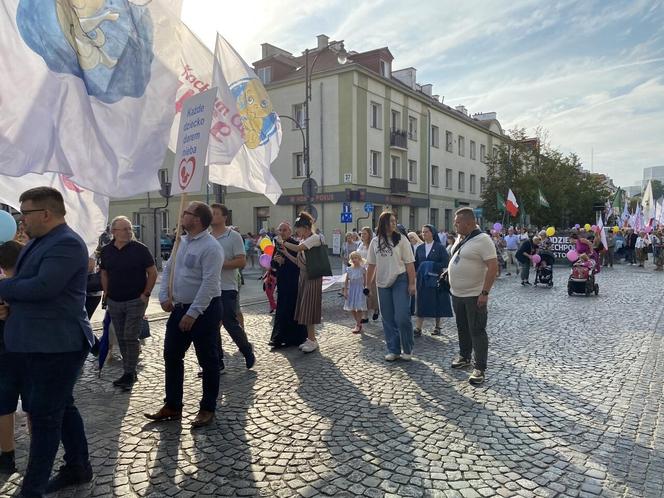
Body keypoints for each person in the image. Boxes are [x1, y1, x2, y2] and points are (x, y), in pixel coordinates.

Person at [0, 187, 94, 496]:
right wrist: (10, 303)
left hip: (58, 344)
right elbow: (27, 286)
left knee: (44, 418)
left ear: (46, 214)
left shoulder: (66, 243)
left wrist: (4, 287)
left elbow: (43, 287)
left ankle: (32, 490)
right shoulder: (38, 242)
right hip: (37, 342)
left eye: (24, 213)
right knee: (61, 408)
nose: (20, 219)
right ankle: (78, 467)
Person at [146, 202, 223, 428]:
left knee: (208, 361)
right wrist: (163, 296)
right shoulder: (182, 241)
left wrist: (193, 313)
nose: (182, 216)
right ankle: (173, 405)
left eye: (186, 213)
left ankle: (207, 408)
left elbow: (209, 284)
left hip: (204, 311)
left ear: (197, 219)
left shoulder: (211, 247)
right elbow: (168, 270)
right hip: (179, 307)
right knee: (171, 356)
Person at [100, 216, 157, 390]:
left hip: (135, 300)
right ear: (114, 232)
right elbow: (104, 273)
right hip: (115, 300)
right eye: (124, 229)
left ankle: (129, 373)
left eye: (129, 229)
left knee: (130, 337)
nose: (128, 232)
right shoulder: (106, 250)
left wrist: (146, 294)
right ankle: (129, 372)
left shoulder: (140, 249)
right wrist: (106, 293)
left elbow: (153, 273)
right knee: (121, 337)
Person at [447, 207, 498, 385]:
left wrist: (485, 292)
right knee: (462, 328)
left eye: (458, 221)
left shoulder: (483, 240)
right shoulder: (461, 238)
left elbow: (493, 267)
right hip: (457, 293)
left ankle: (480, 368)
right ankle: (464, 356)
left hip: (474, 294)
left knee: (477, 330)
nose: (455, 224)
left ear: (469, 223)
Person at [366, 212, 416, 361]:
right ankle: (393, 349)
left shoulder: (402, 240)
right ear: (383, 223)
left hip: (400, 279)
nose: (393, 224)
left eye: (395, 221)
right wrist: (368, 285)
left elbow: (409, 264)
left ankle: (407, 348)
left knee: (402, 316)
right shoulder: (375, 242)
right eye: (390, 221)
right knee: (387, 318)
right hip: (382, 283)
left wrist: (412, 283)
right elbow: (371, 265)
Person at [210, 204, 256, 370]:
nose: (212, 216)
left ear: (224, 217)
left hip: (227, 287)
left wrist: (220, 264)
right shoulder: (206, 237)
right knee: (212, 326)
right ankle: (218, 362)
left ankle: (246, 351)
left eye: (215, 213)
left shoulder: (233, 236)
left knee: (230, 322)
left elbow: (241, 261)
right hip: (208, 289)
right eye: (210, 213)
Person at [277, 212, 324, 353]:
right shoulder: (306, 240)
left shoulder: (315, 238)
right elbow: (298, 262)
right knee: (305, 308)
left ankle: (312, 340)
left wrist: (283, 242)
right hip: (304, 277)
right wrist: (285, 252)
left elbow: (298, 248)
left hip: (312, 277)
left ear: (305, 227)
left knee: (309, 308)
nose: (297, 232)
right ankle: (310, 339)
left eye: (298, 229)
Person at [0, 240, 23, 475]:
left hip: (4, 353)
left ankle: (7, 457)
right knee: (34, 407)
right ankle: (38, 455)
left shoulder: (3, 287)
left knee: (4, 407)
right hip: (30, 353)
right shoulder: (32, 285)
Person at [269, 223, 308, 348]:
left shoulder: (295, 244)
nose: (282, 232)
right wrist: (276, 261)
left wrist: (285, 261)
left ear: (290, 231)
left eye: (284, 230)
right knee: (281, 309)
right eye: (280, 230)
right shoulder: (278, 244)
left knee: (293, 308)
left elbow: (299, 264)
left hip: (293, 281)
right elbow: (272, 264)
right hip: (282, 281)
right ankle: (278, 338)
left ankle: (296, 338)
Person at [414, 224, 452, 337]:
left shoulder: (439, 247)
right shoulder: (420, 248)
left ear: (432, 233)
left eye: (426, 231)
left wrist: (432, 265)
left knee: (437, 301)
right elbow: (416, 264)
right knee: (421, 302)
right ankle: (418, 328)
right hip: (423, 279)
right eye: (422, 232)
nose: (423, 234)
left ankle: (437, 326)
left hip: (436, 278)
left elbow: (446, 262)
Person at [356, 226, 379, 322]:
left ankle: (376, 309)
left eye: (365, 233)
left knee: (371, 293)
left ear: (369, 234)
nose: (362, 235)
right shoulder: (360, 245)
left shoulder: (372, 245)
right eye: (361, 233)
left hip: (371, 271)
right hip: (361, 271)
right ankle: (365, 316)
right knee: (363, 293)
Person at [343, 251, 368, 334]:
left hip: (360, 289)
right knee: (352, 308)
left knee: (359, 307)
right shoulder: (349, 269)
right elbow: (346, 281)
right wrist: (345, 290)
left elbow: (365, 281)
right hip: (352, 290)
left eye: (355, 258)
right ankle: (358, 323)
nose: (354, 260)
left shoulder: (362, 269)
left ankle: (358, 324)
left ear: (359, 259)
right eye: (352, 258)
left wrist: (366, 290)